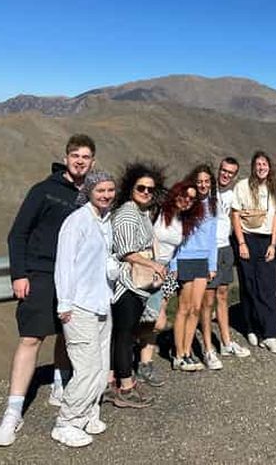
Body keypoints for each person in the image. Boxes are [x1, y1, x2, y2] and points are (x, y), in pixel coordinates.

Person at [0, 134, 96, 447]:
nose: (80, 161)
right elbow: (17, 234)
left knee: (68, 334)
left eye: (86, 157)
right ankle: (13, 411)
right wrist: (19, 274)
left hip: (75, 278)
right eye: (75, 156)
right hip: (41, 273)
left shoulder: (91, 195)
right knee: (31, 338)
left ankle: (60, 384)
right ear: (66, 159)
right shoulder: (43, 191)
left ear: (92, 162)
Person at [51, 171, 118, 448]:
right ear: (89, 191)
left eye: (110, 190)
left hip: (102, 302)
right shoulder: (76, 222)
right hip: (80, 306)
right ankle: (66, 422)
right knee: (87, 368)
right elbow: (64, 264)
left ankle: (89, 411)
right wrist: (64, 303)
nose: (106, 195)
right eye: (101, 190)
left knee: (101, 365)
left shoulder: (106, 220)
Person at [109, 162, 166, 408]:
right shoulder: (127, 214)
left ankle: (112, 380)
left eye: (150, 189)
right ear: (131, 188)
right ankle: (126, 386)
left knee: (123, 332)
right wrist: (153, 265)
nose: (145, 192)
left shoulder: (141, 213)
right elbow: (126, 251)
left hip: (138, 283)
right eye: (141, 187)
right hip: (127, 283)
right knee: (124, 334)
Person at [198, 158, 252, 370]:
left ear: (235, 175)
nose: (225, 174)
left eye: (230, 172)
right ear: (218, 170)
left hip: (225, 248)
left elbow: (234, 215)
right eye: (223, 170)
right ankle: (208, 348)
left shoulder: (233, 194)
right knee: (207, 300)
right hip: (208, 249)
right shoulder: (207, 191)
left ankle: (226, 342)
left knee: (222, 295)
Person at [152, 181, 210, 371]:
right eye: (184, 195)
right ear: (176, 192)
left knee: (158, 318)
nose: (187, 200)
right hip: (147, 266)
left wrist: (173, 268)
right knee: (145, 315)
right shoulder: (158, 211)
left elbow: (177, 249)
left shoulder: (182, 219)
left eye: (192, 199)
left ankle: (177, 355)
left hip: (166, 270)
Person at [231, 151, 276, 354]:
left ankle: (270, 334)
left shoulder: (274, 188)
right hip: (247, 238)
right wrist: (241, 243)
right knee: (249, 285)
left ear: (269, 167)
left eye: (264, 164)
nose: (261, 167)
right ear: (253, 167)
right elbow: (235, 215)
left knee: (268, 286)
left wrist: (273, 244)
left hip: (266, 241)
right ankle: (251, 327)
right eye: (258, 164)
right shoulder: (242, 186)